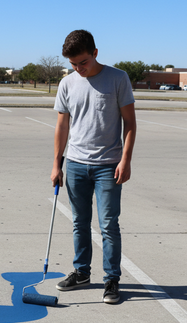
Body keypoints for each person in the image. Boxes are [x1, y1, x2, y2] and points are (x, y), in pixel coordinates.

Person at [51, 29, 136, 304]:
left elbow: (130, 124)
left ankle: (111, 279)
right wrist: (57, 164)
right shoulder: (67, 84)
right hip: (75, 164)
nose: (79, 69)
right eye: (73, 64)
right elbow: (62, 125)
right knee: (80, 222)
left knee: (109, 224)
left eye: (83, 63)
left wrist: (126, 159)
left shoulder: (118, 78)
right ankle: (82, 272)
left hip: (108, 166)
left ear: (95, 53)